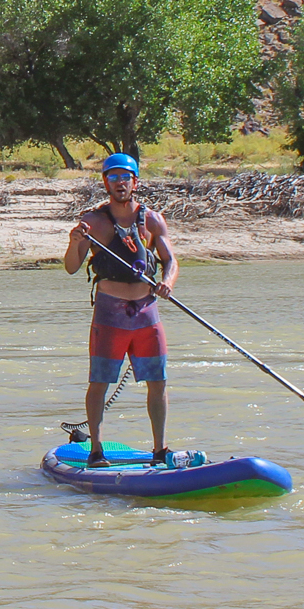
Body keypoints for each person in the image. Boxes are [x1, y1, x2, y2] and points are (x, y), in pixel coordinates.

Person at [61, 152, 180, 468]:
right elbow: (72, 267)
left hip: (146, 312)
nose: (119, 184)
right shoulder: (93, 223)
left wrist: (167, 282)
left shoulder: (152, 220)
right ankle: (96, 451)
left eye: (125, 178)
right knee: (100, 382)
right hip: (110, 314)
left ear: (135, 182)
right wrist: (74, 243)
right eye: (113, 178)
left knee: (158, 381)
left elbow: (170, 261)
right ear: (106, 183)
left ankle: (160, 449)